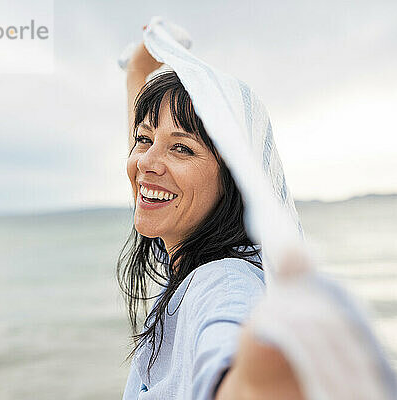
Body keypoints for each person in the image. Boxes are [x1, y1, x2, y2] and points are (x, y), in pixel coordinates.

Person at [118, 42, 305, 400]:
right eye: (144, 139)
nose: (146, 162)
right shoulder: (183, 250)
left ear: (234, 182)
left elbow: (231, 350)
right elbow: (152, 169)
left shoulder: (222, 280)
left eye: (182, 148)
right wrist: (137, 72)